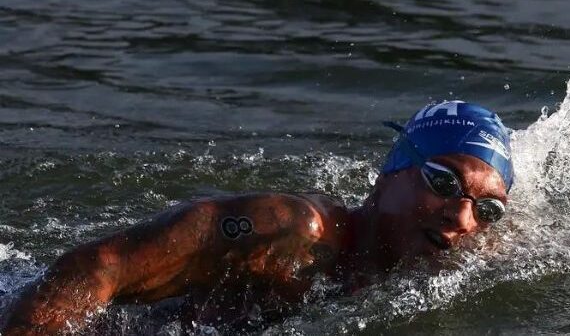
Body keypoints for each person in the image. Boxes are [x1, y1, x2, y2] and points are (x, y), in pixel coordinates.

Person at [0, 101, 514, 335]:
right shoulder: (293, 230)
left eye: (487, 208)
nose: (462, 218)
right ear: (392, 172)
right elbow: (101, 268)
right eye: (443, 183)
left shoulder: (462, 262)